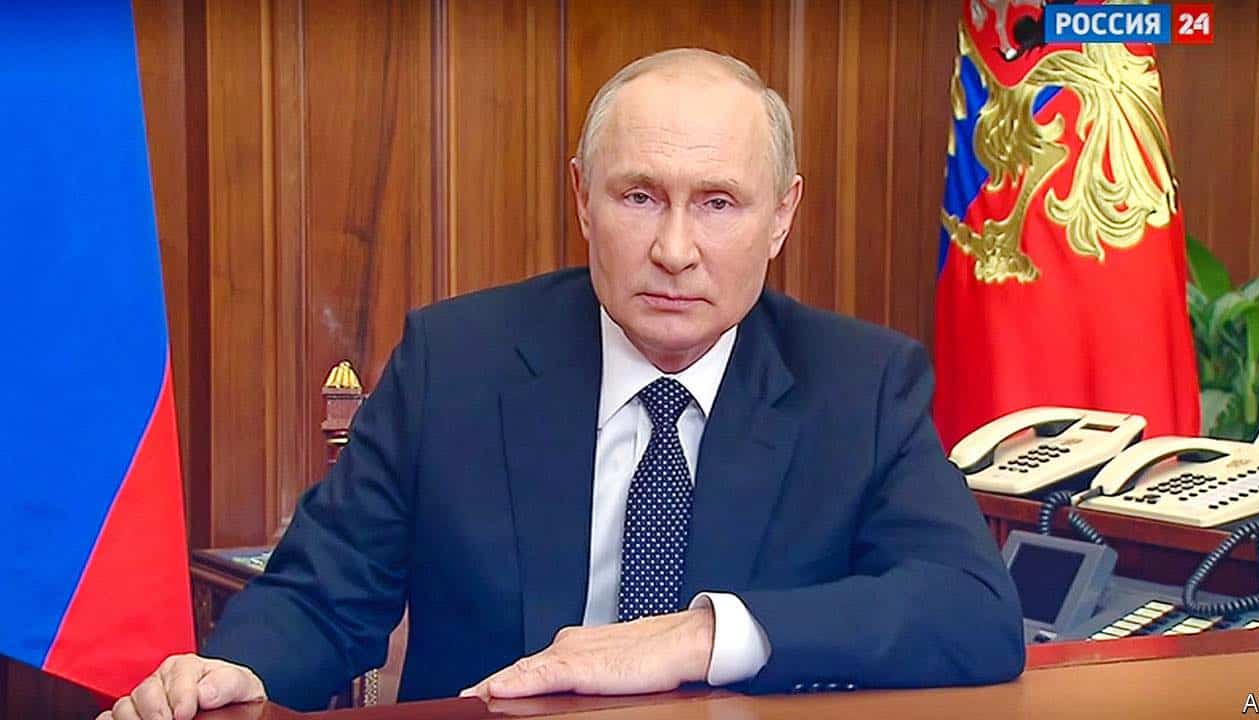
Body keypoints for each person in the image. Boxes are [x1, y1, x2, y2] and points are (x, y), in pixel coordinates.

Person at [99, 47, 1024, 720]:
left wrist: (700, 635)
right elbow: (320, 594)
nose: (674, 249)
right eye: (638, 197)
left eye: (718, 203)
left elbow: (973, 612)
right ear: (582, 197)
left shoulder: (859, 385)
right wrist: (240, 673)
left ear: (781, 216)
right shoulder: (457, 361)